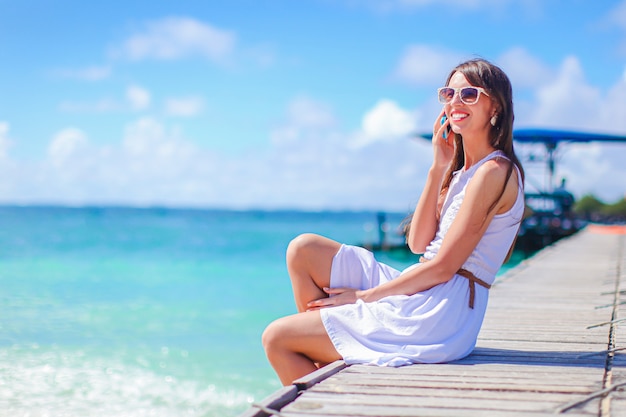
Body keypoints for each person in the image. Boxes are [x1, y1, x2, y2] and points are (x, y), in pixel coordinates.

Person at [262, 58, 525, 386]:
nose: (456, 102)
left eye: (469, 94)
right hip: (424, 285)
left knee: (277, 338)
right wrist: (438, 167)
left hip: (442, 311)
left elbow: (443, 268)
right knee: (303, 250)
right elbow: (418, 245)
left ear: (495, 106)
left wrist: (362, 298)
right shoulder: (461, 173)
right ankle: (330, 352)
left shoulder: (494, 172)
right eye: (449, 94)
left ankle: (328, 370)